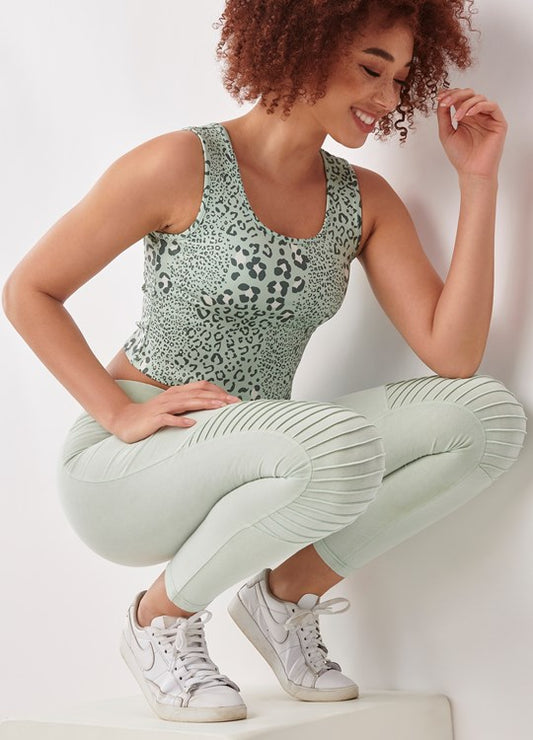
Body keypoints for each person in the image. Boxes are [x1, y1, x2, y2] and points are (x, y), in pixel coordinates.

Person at [2, 0, 528, 726]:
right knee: (335, 444)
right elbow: (29, 291)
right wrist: (118, 411)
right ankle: (157, 620)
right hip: (129, 467)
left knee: (486, 419)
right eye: (370, 68)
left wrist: (478, 181)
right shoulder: (180, 163)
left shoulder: (363, 201)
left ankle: (284, 597)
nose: (386, 98)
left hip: (267, 448)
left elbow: (454, 354)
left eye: (401, 79)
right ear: (301, 44)